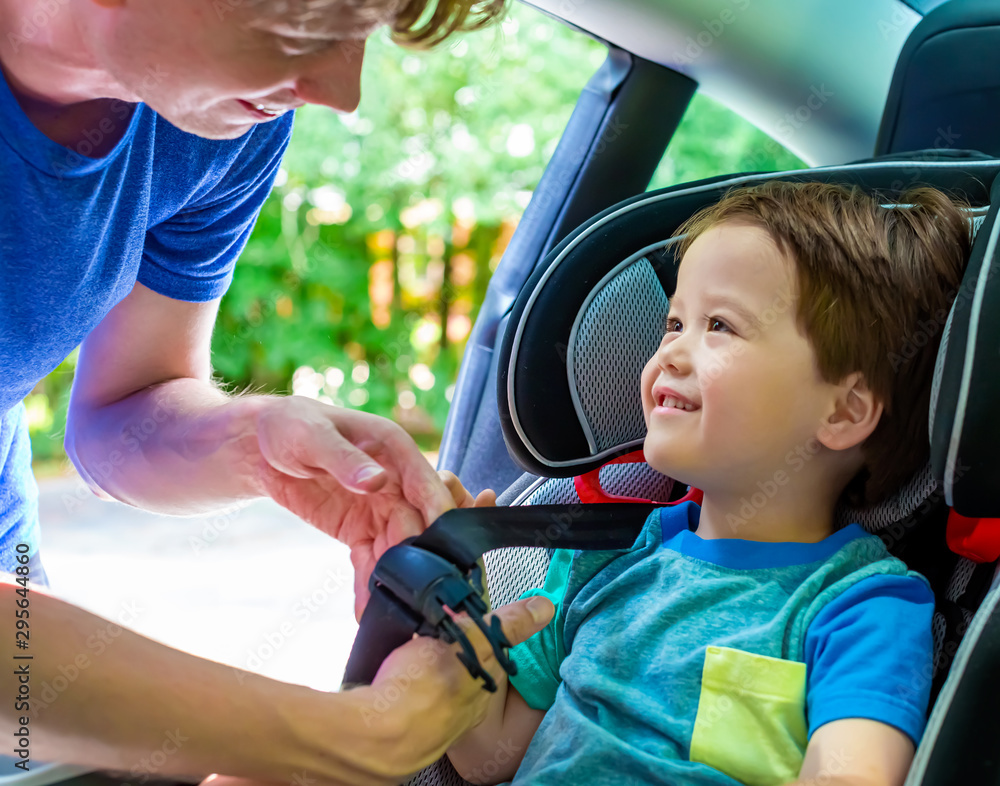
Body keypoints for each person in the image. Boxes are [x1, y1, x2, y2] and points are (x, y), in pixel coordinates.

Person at [0, 0, 556, 781]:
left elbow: (121, 409)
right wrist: (349, 736)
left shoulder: (218, 123)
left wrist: (256, 443)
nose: (341, 91)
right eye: (305, 30)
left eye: (361, 34)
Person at [444, 180, 971, 785]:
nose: (668, 352)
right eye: (674, 323)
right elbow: (489, 755)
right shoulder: (599, 560)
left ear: (843, 412)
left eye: (719, 325)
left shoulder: (860, 611)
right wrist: (458, 603)